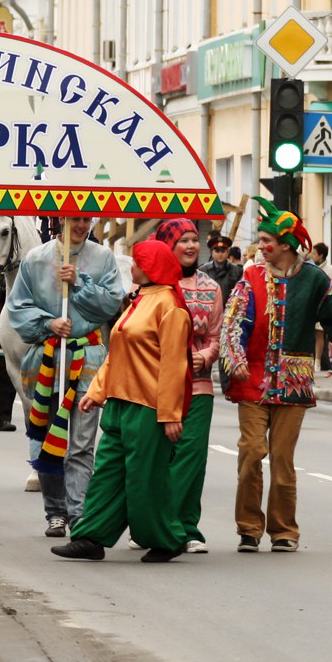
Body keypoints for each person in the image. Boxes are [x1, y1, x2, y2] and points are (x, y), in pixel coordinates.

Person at [220, 198, 332, 553]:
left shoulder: (313, 279)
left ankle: (284, 531)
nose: (260, 246)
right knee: (251, 452)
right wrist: (232, 357)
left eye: (267, 241)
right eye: (260, 240)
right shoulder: (250, 276)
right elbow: (232, 322)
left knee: (283, 460)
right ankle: (248, 528)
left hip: (293, 383)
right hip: (250, 377)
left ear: (286, 245)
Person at [51, 239, 193, 563]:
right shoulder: (137, 300)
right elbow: (118, 353)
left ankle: (167, 539)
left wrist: (171, 414)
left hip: (149, 408)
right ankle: (90, 537)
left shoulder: (170, 307)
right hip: (119, 403)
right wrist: (96, 391)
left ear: (151, 266)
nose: (132, 267)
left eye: (138, 262)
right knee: (107, 473)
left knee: (144, 479)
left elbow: (174, 365)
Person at [5, 215, 125, 537]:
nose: (82, 225)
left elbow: (111, 305)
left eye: (87, 219)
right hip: (46, 360)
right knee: (45, 439)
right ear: (61, 218)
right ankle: (54, 512)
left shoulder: (103, 258)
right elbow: (17, 308)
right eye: (76, 218)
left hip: (87, 359)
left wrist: (81, 283)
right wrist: (48, 324)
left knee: (81, 443)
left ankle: (79, 514)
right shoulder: (36, 258)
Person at [147, 219, 222, 554]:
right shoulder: (152, 288)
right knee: (160, 457)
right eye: (184, 241)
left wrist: (204, 356)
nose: (192, 246)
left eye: (195, 240)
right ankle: (153, 524)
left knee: (193, 456)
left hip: (199, 384)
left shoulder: (212, 287)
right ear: (167, 245)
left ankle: (186, 527)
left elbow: (217, 335)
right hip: (156, 384)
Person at [199, 233, 242, 305]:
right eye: (217, 251)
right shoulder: (203, 270)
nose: (220, 254)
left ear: (227, 253)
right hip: (209, 310)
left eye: (223, 251)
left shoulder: (237, 271)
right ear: (212, 253)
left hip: (228, 311)